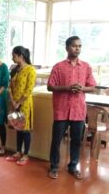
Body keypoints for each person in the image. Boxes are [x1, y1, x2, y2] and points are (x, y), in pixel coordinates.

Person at [47, 36, 96, 180]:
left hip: (78, 110)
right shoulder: (58, 66)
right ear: (67, 47)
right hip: (61, 110)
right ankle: (54, 166)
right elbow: (50, 86)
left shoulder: (86, 66)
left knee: (76, 140)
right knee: (56, 140)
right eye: (74, 46)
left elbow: (92, 86)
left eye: (80, 46)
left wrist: (82, 88)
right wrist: (67, 88)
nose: (77, 49)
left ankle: (73, 166)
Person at [5, 46, 36, 166]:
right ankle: (18, 151)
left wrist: (18, 103)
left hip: (25, 104)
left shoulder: (30, 70)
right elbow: (9, 87)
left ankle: (26, 154)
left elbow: (28, 90)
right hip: (14, 103)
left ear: (20, 56)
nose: (12, 57)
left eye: (14, 55)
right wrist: (13, 101)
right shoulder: (14, 69)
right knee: (18, 128)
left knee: (25, 130)